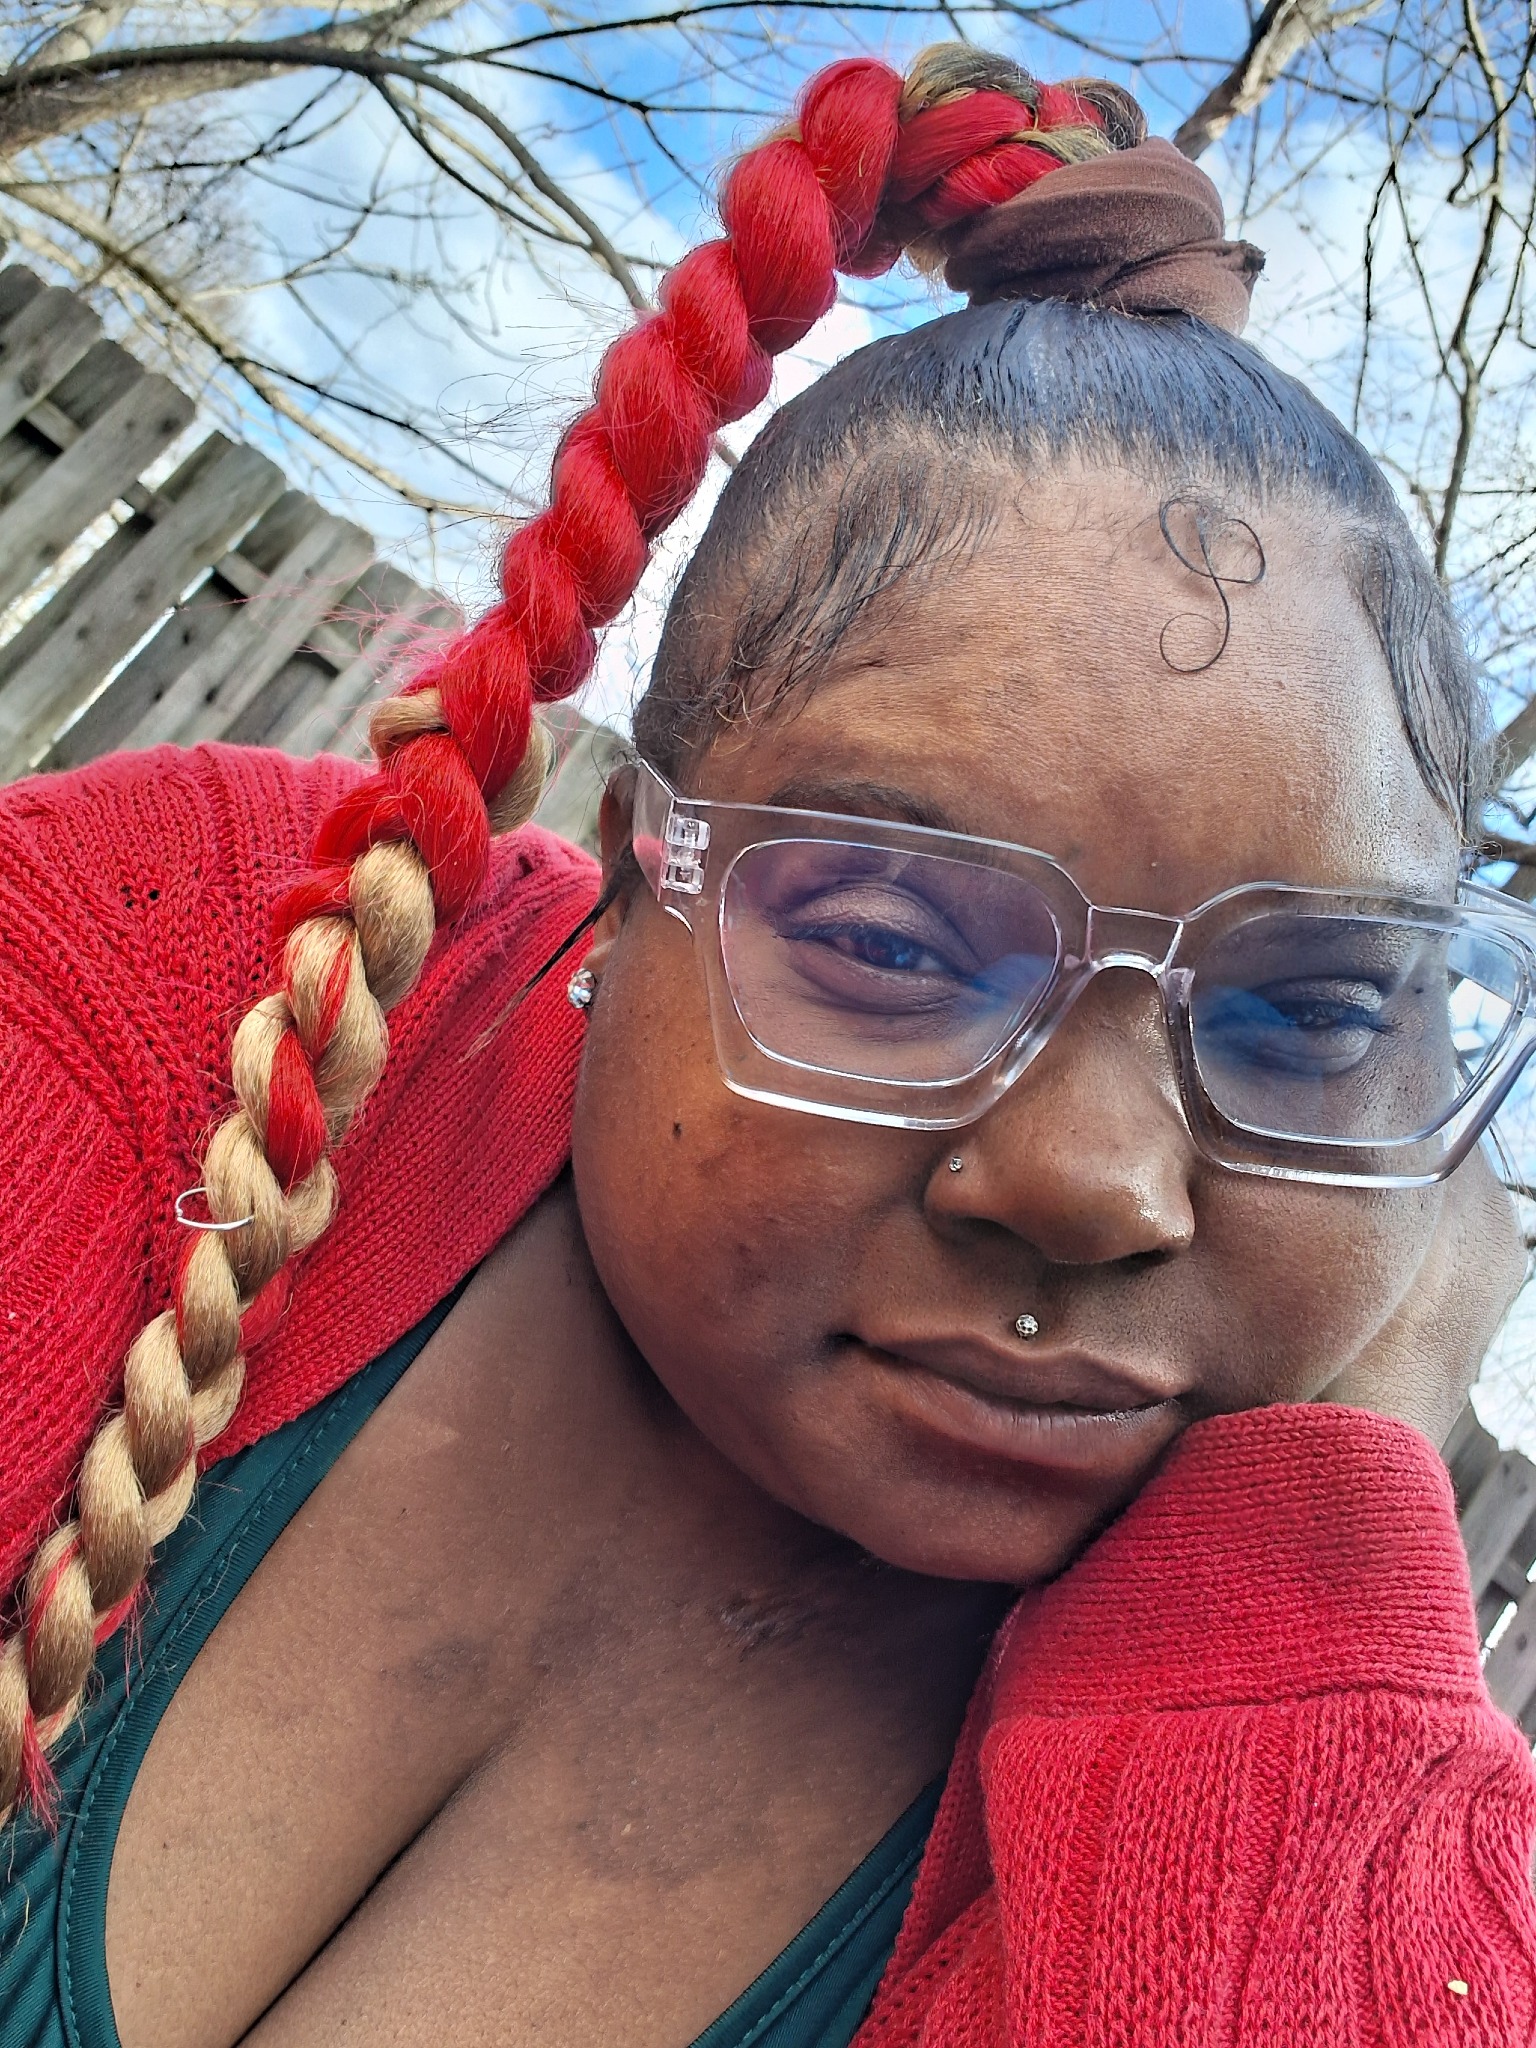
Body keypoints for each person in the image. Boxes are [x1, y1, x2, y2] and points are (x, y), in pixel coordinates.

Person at [1, 43, 1533, 2048]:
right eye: (890, 941)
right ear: (634, 872)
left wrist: (1332, 1505)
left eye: (1314, 1005)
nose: (1093, 1182)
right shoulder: (189, 968)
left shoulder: (1328, 1828)